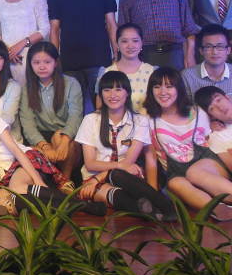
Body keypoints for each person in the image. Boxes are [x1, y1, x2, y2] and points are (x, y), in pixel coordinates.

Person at [75, 70, 175, 221]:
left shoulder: (140, 121)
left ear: (127, 93)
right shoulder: (91, 120)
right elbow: (90, 164)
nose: (112, 95)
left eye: (118, 89)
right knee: (116, 194)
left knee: (117, 174)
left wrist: (110, 171)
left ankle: (167, 209)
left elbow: (128, 163)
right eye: (107, 90)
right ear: (101, 94)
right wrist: (98, 178)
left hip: (125, 177)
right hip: (93, 178)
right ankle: (154, 215)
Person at [144, 67, 232, 221]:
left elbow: (213, 131)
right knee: (174, 184)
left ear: (178, 89)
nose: (163, 92)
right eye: (157, 87)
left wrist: (214, 124)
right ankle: (216, 207)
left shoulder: (197, 112)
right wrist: (153, 195)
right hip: (177, 171)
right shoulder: (147, 119)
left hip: (209, 164)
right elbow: (151, 158)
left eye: (169, 86)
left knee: (194, 173)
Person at [48, 0, 118, 112]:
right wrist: (53, 60)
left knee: (104, 109)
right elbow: (54, 30)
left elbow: (111, 24)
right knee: (72, 111)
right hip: (69, 62)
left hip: (99, 60)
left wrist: (117, 55)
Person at [18, 41, 82, 180]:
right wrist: (45, 146)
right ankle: (53, 182)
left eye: (47, 62)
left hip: (68, 137)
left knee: (59, 136)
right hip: (41, 138)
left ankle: (66, 182)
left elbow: (75, 116)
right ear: (30, 64)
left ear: (56, 62)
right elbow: (28, 126)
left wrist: (64, 142)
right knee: (31, 151)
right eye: (36, 62)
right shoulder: (26, 90)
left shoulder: (71, 84)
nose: (42, 67)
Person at [95, 23, 155, 115]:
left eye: (135, 41)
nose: (130, 46)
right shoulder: (105, 73)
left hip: (147, 123)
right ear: (117, 44)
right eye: (124, 41)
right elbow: (100, 110)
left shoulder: (152, 72)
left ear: (141, 43)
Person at [182, 24, 232, 96]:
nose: (215, 52)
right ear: (201, 50)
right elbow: (185, 103)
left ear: (228, 50)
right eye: (209, 46)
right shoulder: (187, 76)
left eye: (220, 46)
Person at [195, 86, 232, 173]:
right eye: (212, 108)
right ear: (211, 116)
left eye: (218, 100)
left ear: (228, 97)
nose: (220, 107)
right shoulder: (216, 138)